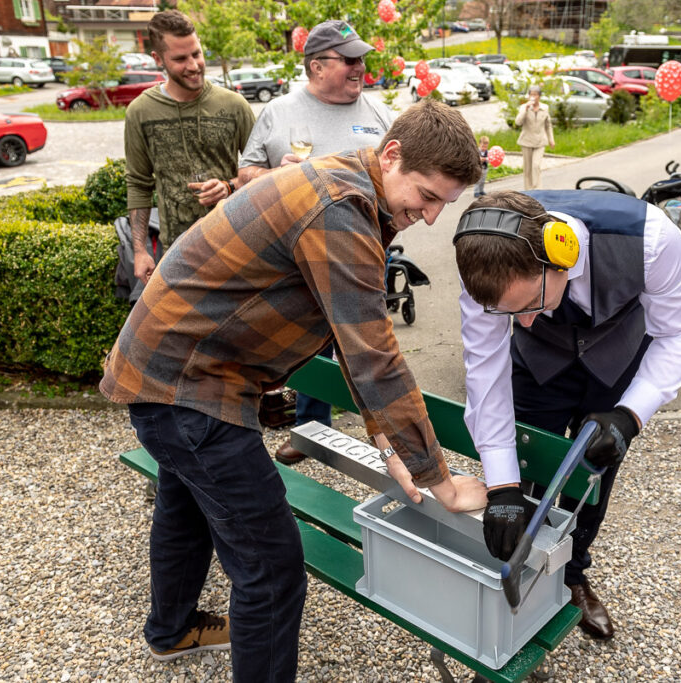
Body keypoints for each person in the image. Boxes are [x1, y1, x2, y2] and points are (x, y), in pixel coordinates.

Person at [100, 99, 487, 681]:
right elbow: (375, 356)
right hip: (191, 388)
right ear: (392, 154)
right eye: (427, 196)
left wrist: (389, 444)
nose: (431, 217)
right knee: (273, 568)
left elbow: (352, 335)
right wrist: (443, 482)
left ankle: (172, 630)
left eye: (444, 205)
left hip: (171, 374)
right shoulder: (341, 208)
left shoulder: (347, 186)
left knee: (185, 503)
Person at [453, 189, 681, 640]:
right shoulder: (482, 259)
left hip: (616, 359)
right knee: (526, 466)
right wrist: (502, 485)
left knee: (594, 474)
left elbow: (680, 332)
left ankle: (572, 574)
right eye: (511, 313)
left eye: (530, 304)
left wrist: (631, 414)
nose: (523, 322)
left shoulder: (653, 240)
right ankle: (518, 573)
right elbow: (486, 372)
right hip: (538, 366)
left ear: (560, 257)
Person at [237, 20, 396, 466]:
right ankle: (311, 431)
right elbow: (244, 175)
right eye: (349, 59)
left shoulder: (379, 114)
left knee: (368, 344)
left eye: (361, 58)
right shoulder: (280, 111)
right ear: (316, 66)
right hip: (292, 259)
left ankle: (386, 437)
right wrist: (277, 176)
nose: (360, 67)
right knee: (305, 342)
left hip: (364, 251)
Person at [125, 10, 255, 285]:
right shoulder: (141, 112)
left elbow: (263, 170)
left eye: (196, 54)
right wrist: (140, 251)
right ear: (158, 60)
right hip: (175, 253)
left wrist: (229, 186)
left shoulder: (234, 106)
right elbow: (138, 183)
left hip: (234, 246)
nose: (194, 65)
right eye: (181, 59)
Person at [514, 85, 554, 190]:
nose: (533, 97)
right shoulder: (524, 108)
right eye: (531, 94)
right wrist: (525, 110)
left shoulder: (545, 108)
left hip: (540, 141)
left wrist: (551, 139)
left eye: (535, 94)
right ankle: (528, 191)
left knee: (536, 166)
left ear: (539, 96)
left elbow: (548, 125)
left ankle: (537, 189)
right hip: (526, 141)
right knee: (527, 169)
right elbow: (518, 122)